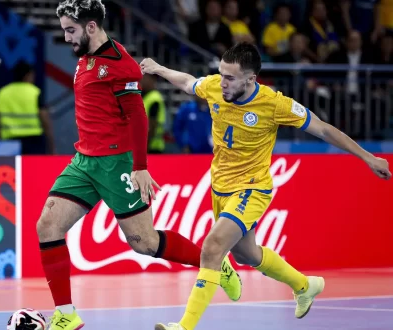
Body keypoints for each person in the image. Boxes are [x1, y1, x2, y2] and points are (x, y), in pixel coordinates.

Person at [140, 43, 391, 330]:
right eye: (221, 74)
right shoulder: (214, 86)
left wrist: (367, 157)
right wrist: (159, 69)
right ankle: (305, 285)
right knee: (246, 254)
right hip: (219, 186)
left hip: (252, 189)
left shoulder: (274, 104)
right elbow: (187, 82)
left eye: (230, 78)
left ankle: (184, 326)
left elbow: (321, 128)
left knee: (212, 248)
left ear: (251, 79)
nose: (222, 83)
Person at [38, 1, 242, 329]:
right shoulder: (85, 58)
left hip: (116, 162)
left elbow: (137, 116)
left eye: (71, 30)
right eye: (64, 30)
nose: (66, 38)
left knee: (144, 243)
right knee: (47, 225)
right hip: (84, 161)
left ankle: (216, 262)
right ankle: (66, 314)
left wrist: (140, 166)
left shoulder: (120, 63)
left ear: (91, 27)